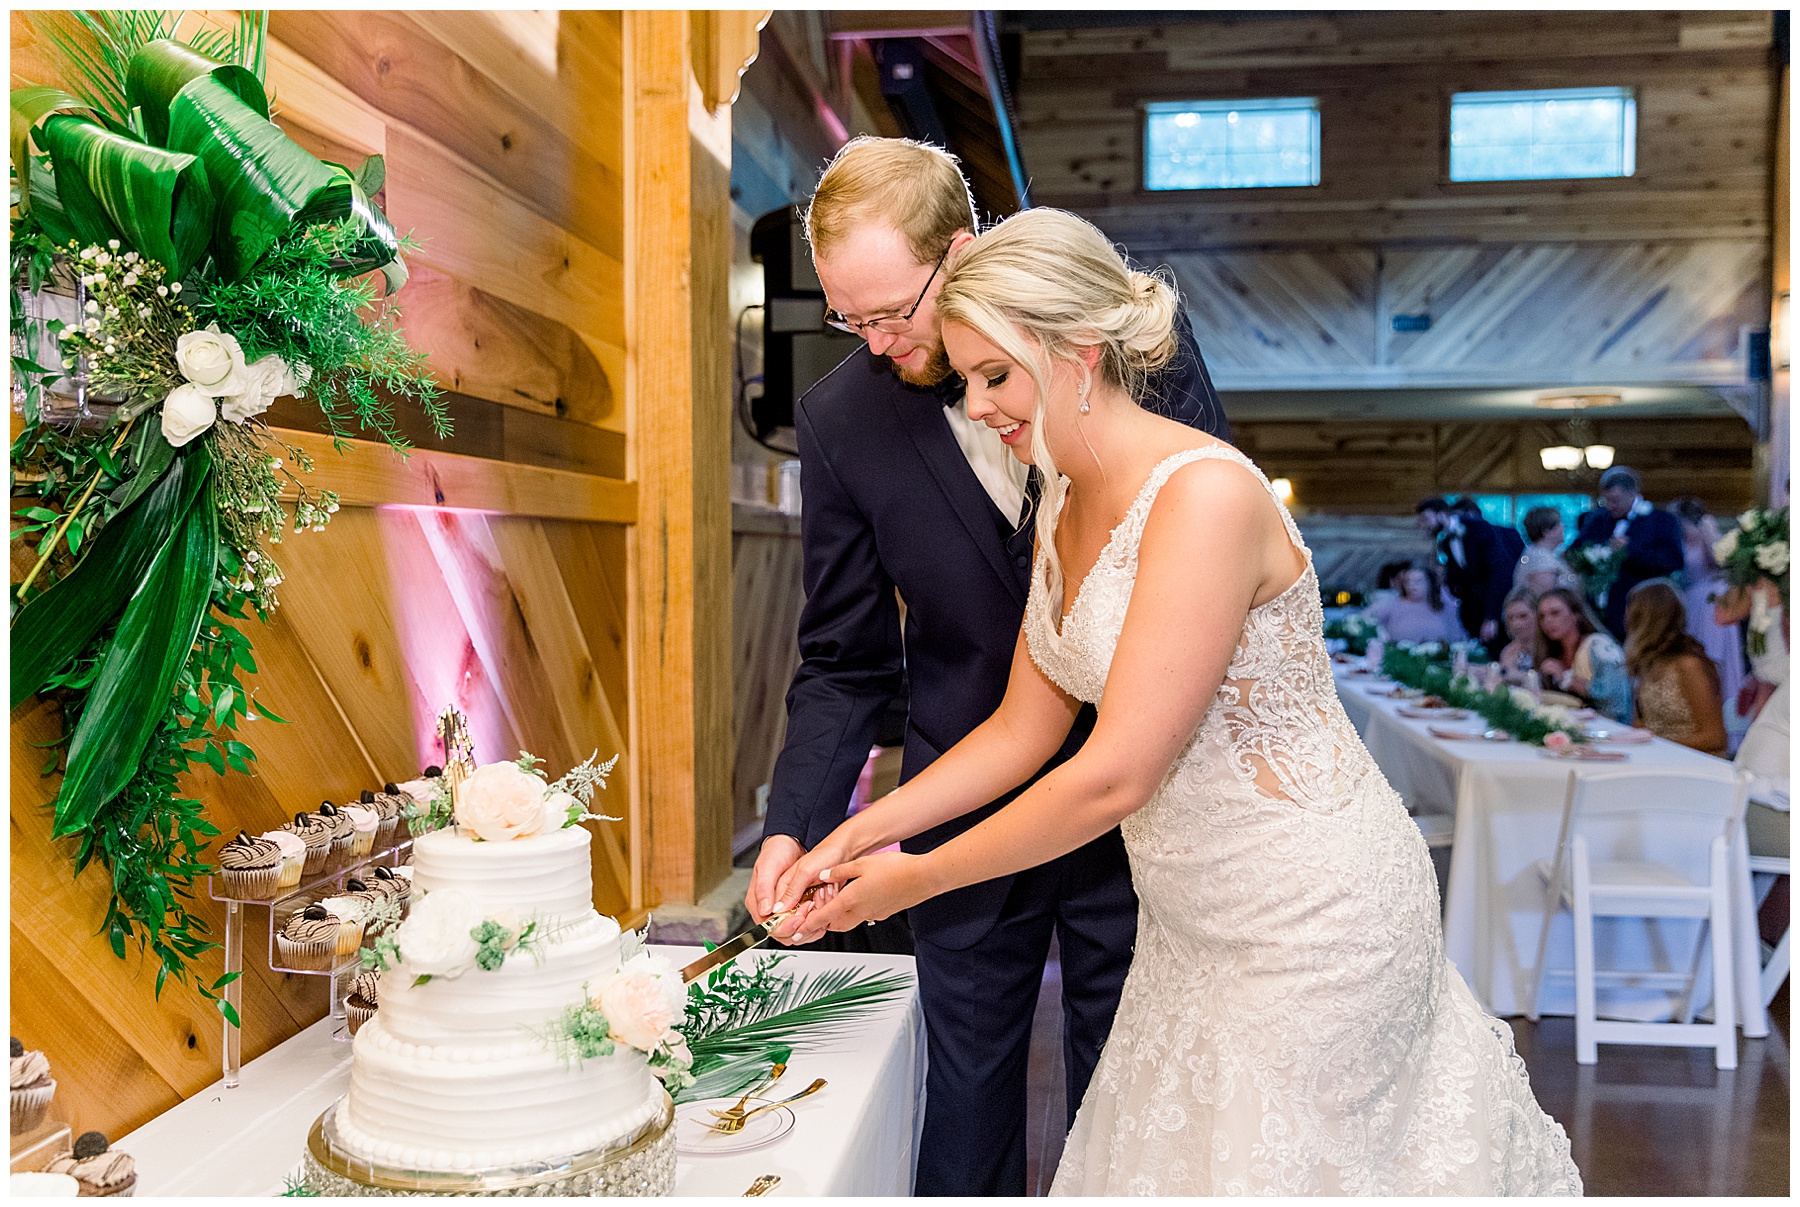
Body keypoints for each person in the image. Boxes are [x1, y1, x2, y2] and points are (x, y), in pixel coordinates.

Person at [768, 208, 1581, 1195]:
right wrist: (857, 835)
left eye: (995, 376)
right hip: (1189, 918)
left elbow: (1113, 774)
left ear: (1078, 352)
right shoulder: (1064, 496)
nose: (975, 404)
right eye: (968, 377)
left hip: (1306, 909)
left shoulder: (1207, 495)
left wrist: (913, 878)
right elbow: (1024, 730)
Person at [747, 137, 1230, 1198]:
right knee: (962, 1114)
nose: (877, 346)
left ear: (958, 252)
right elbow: (841, 658)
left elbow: (1193, 579)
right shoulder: (841, 421)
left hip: (1141, 794)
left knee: (1134, 1100)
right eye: (850, 318)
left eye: (893, 312)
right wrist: (804, 823)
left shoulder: (1136, 347)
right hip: (961, 782)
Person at [1568, 466, 1684, 637]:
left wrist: (1628, 552)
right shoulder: (1598, 520)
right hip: (1597, 613)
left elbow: (1673, 560)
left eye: (1615, 500)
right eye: (1606, 500)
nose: (1609, 506)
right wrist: (1603, 549)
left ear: (1633, 494)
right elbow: (1576, 550)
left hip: (1642, 609)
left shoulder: (1661, 521)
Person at [1623, 580, 1728, 755]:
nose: (1625, 617)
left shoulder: (1688, 665)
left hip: (1694, 765)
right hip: (1657, 759)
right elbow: (1640, 726)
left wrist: (1658, 745)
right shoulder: (1648, 664)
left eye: (1630, 608)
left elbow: (1715, 737)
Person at [1417, 495, 1524, 657]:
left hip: (1497, 608)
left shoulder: (1480, 529)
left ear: (1440, 514)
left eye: (1426, 519)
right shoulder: (1446, 542)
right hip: (1473, 612)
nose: (1422, 525)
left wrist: (1491, 617)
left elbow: (1498, 574)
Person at [1669, 496, 1746, 714]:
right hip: (1689, 599)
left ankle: (1719, 712)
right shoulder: (1676, 538)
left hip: (1711, 598)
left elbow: (1721, 562)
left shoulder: (1706, 527)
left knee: (1713, 656)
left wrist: (1703, 533)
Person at [1536, 586, 1632, 723]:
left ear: (1576, 614)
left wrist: (1566, 678)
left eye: (1555, 613)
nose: (1547, 621)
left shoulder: (1599, 645)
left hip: (1612, 728)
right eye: (1542, 616)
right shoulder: (1552, 653)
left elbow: (1613, 697)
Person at [1368, 562, 1466, 644]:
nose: (1411, 586)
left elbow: (1458, 637)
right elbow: (1364, 621)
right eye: (1407, 581)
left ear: (1429, 583)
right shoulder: (1391, 604)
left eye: (1418, 581)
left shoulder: (1444, 607)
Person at [1515, 505, 1580, 595]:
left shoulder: (1541, 553)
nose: (1563, 526)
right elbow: (1546, 596)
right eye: (1558, 524)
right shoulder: (1541, 558)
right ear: (1546, 531)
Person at [1496, 586, 1541, 685]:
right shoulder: (1508, 652)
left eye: (1523, 616)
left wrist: (1517, 676)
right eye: (1511, 618)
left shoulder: (1552, 647)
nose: (1516, 624)